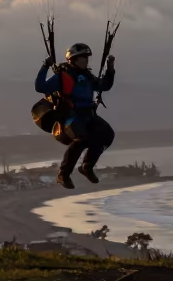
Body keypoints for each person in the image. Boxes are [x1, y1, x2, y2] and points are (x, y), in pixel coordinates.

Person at [35, 42, 115, 189]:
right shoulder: (63, 76)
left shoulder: (87, 76)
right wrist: (45, 65)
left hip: (87, 115)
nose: (86, 61)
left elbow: (104, 86)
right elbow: (40, 87)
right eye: (83, 58)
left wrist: (110, 69)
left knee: (107, 135)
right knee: (82, 139)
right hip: (70, 117)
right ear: (73, 59)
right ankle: (63, 174)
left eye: (87, 58)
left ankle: (87, 166)